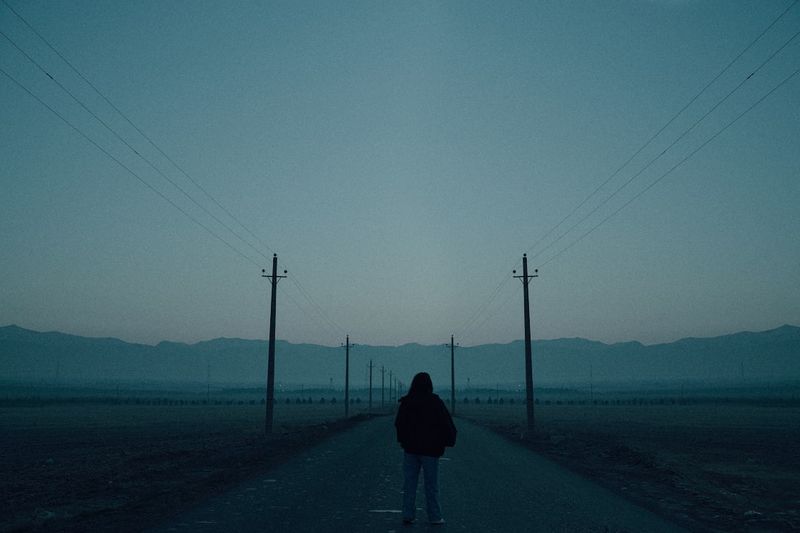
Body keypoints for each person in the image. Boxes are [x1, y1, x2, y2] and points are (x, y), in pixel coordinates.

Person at [394, 372, 457, 525]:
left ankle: (407, 514)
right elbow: (446, 424)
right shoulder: (435, 402)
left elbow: (399, 423)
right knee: (431, 484)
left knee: (409, 483)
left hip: (410, 449)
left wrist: (404, 441)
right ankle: (435, 516)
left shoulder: (407, 402)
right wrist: (445, 442)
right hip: (431, 450)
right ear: (429, 385)